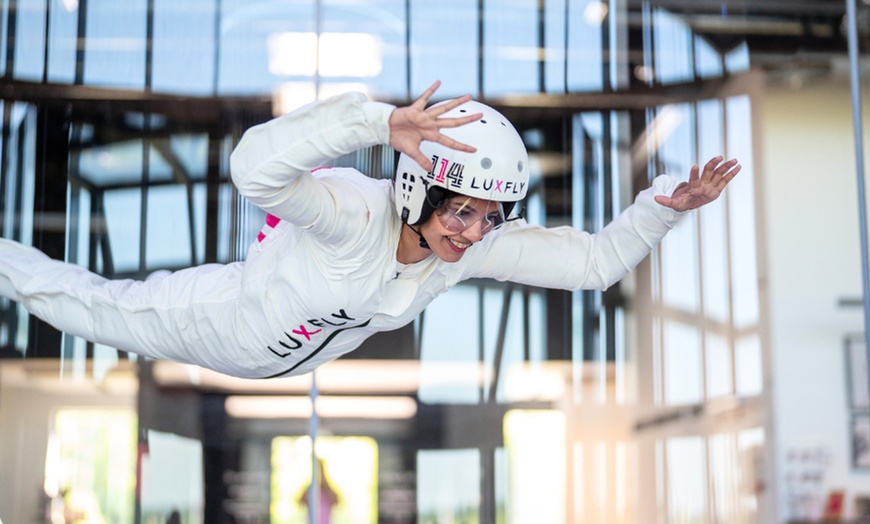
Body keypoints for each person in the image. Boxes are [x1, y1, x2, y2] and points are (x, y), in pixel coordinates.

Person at [0, 81, 739, 379]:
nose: (474, 231)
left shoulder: (463, 252)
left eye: (492, 215)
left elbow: (592, 264)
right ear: (418, 188)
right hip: (220, 323)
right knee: (84, 303)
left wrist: (659, 208)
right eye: (461, 210)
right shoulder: (352, 213)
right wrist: (374, 123)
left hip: (292, 363)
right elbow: (252, 170)